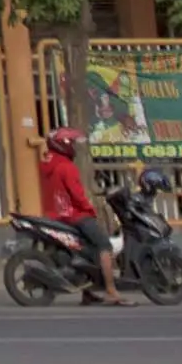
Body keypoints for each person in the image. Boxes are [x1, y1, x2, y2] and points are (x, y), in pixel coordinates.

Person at [33, 126, 120, 301]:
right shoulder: (67, 167)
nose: (73, 146)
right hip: (74, 215)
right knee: (104, 245)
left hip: (53, 215)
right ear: (62, 145)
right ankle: (111, 289)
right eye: (71, 143)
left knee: (85, 250)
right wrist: (90, 210)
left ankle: (88, 294)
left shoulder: (45, 165)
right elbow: (77, 195)